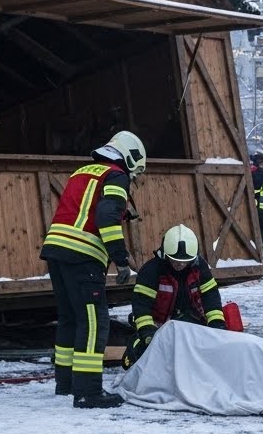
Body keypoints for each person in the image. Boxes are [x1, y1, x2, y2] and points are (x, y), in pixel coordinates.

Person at [39, 130, 146, 409]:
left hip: (56, 251)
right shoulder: (117, 176)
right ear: (130, 157)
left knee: (69, 319)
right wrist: (121, 259)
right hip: (83, 256)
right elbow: (106, 217)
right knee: (94, 322)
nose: (133, 178)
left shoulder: (82, 172)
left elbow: (83, 210)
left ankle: (65, 384)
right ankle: (88, 392)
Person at [122, 224, 226, 369]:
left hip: (190, 322)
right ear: (165, 254)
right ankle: (136, 346)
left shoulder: (199, 267)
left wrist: (217, 324)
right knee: (145, 357)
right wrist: (147, 332)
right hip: (158, 326)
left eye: (185, 260)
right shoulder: (151, 271)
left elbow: (210, 296)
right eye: (175, 260)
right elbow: (141, 306)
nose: (180, 264)